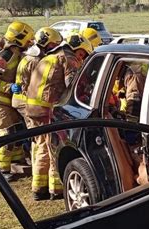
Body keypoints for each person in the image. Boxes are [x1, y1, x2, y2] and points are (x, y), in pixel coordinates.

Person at [25, 34, 92, 201]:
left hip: (32, 107)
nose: (81, 58)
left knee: (41, 146)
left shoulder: (51, 56)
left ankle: (39, 189)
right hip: (46, 109)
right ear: (77, 49)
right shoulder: (68, 59)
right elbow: (74, 85)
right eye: (82, 54)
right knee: (55, 147)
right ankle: (57, 190)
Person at [0, 21, 34, 181]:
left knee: (18, 131)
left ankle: (16, 160)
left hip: (10, 102)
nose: (30, 43)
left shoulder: (19, 54)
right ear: (19, 38)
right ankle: (1, 169)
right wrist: (10, 87)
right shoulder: (3, 57)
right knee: (6, 134)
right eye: (28, 39)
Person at [12, 27, 64, 118]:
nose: (55, 48)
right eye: (54, 45)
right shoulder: (35, 60)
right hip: (24, 101)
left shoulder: (29, 56)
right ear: (45, 43)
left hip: (21, 99)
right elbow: (37, 83)